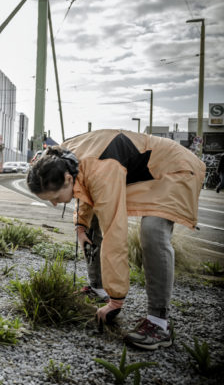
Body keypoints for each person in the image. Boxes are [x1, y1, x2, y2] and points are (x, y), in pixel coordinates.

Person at [27, 129, 204, 350]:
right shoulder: (62, 158)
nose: (55, 204)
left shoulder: (102, 170)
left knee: (152, 232)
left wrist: (116, 300)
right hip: (139, 172)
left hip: (174, 169)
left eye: (55, 198)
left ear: (67, 178)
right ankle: (98, 288)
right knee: (89, 224)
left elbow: (114, 231)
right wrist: (80, 225)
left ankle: (159, 323)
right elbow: (83, 188)